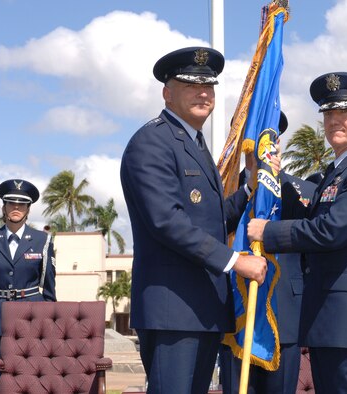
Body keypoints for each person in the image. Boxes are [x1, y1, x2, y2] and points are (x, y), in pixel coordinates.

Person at [120, 46, 269, 394]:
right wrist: (235, 261)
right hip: (172, 308)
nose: (203, 93)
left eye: (209, 86)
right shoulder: (151, 142)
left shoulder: (196, 144)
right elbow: (166, 221)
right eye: (190, 85)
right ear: (167, 92)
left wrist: (248, 189)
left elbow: (211, 221)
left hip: (202, 307)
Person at [248, 72, 347, 393]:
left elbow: (330, 231)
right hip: (326, 320)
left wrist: (268, 232)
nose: (334, 121)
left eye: (344, 112)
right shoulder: (334, 173)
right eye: (329, 113)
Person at [220, 112, 317, 394]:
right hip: (235, 316)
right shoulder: (222, 189)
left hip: (283, 317)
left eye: (270, 139)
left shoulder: (303, 191)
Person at [0, 179, 56, 392]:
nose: (16, 208)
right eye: (11, 203)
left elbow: (49, 286)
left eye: (22, 204)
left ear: (28, 209)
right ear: (4, 207)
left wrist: (49, 319)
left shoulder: (42, 240)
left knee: (29, 372)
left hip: (31, 315)